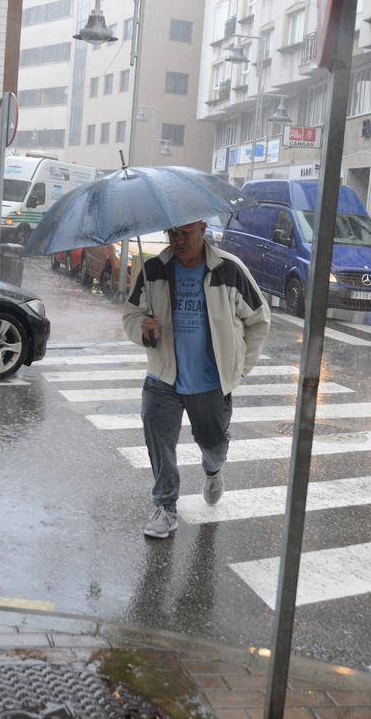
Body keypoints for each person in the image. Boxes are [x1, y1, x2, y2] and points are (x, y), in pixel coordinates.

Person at [123, 221, 271, 539]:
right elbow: (131, 315)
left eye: (185, 233)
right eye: (171, 233)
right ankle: (165, 507)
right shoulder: (154, 270)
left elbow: (259, 319)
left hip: (210, 381)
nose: (177, 240)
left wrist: (239, 369)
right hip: (162, 376)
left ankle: (213, 469)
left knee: (213, 444)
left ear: (203, 228)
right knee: (160, 444)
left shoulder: (228, 270)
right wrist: (142, 329)